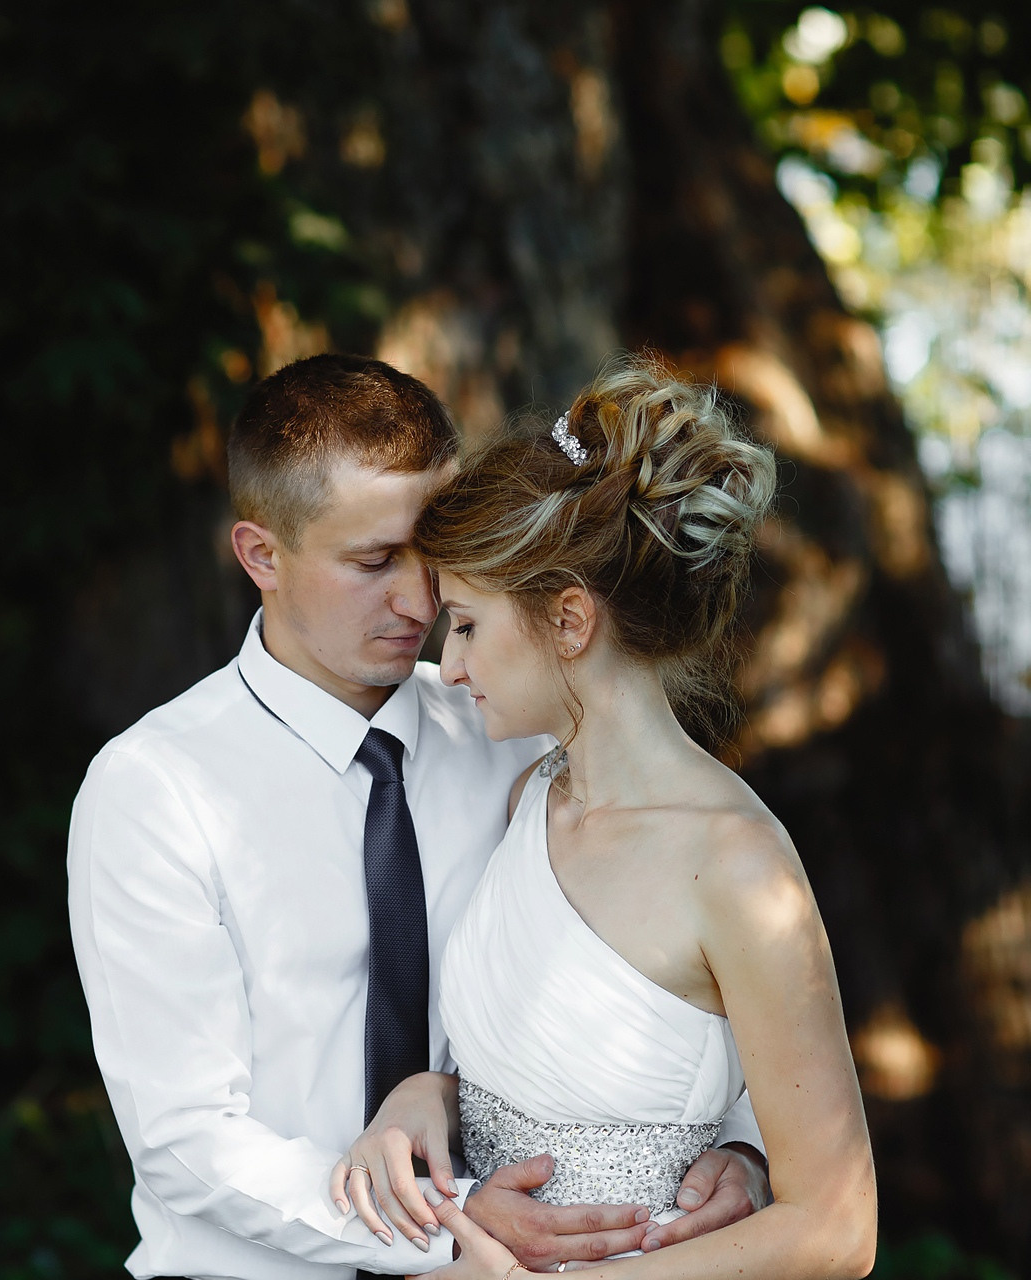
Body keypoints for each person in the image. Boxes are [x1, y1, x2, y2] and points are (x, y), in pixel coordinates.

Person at [67, 354, 769, 1280]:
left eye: (431, 554)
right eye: (371, 562)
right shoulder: (156, 788)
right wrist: (450, 1233)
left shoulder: (521, 740)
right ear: (260, 556)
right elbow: (185, 1137)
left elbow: (690, 960)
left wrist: (744, 1151)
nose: (418, 600)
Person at [332, 357, 876, 1279]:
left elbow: (838, 1228)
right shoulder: (529, 800)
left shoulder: (739, 866)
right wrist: (430, 1095)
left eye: (465, 625)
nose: (449, 668)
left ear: (570, 620)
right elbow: (547, 1072)